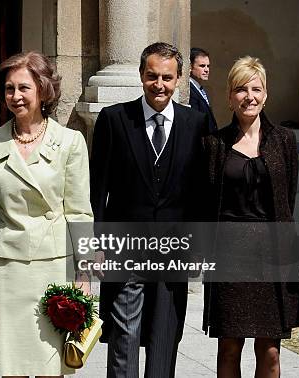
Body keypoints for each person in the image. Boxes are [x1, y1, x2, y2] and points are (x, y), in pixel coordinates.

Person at [90, 42, 208, 378]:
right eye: (152, 76)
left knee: (164, 340)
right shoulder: (114, 120)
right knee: (123, 340)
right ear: (141, 75)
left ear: (179, 79)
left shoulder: (196, 123)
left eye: (167, 78)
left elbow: (201, 191)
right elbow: (98, 190)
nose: (159, 84)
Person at [0, 51, 94, 377]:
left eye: (24, 88)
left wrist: (83, 276)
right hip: (4, 270)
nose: (16, 96)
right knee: (10, 368)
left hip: (52, 268)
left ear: (43, 90)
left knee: (49, 368)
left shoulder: (70, 142)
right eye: (9, 88)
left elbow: (80, 213)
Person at [202, 56, 299, 378]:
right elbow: (208, 202)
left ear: (265, 94)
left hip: (273, 254)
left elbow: (286, 197)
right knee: (229, 346)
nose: (249, 96)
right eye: (240, 89)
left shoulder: (284, 141)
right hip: (229, 253)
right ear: (229, 96)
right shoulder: (214, 144)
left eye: (256, 89)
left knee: (271, 349)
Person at [189, 47, 217, 133]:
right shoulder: (189, 90)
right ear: (190, 67)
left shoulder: (200, 89)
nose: (206, 70)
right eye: (202, 66)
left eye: (208, 66)